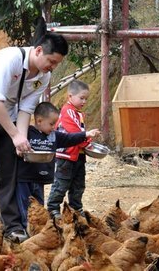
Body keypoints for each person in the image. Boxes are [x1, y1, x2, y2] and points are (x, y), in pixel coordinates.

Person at [0, 32, 68, 242]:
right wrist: (15, 134)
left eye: (56, 63)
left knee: (11, 172)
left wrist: (22, 140)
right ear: (38, 51)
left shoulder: (43, 76)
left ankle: (13, 226)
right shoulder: (10, 60)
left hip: (10, 118)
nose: (52, 67)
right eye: (51, 61)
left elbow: (26, 109)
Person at [15, 101, 100, 229]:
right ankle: (23, 229)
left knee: (39, 207)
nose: (54, 127)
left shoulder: (54, 136)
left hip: (39, 179)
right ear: (39, 121)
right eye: (51, 124)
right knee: (24, 206)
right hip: (24, 178)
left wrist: (85, 134)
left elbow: (69, 138)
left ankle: (39, 230)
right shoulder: (26, 133)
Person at [46, 80, 95, 219]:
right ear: (70, 96)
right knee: (61, 183)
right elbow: (74, 131)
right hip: (66, 156)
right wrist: (87, 142)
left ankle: (76, 208)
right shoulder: (67, 111)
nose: (84, 101)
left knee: (78, 184)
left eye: (86, 98)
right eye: (81, 98)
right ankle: (53, 208)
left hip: (78, 156)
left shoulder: (77, 112)